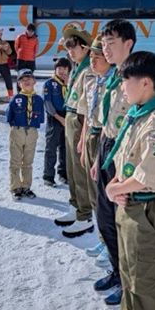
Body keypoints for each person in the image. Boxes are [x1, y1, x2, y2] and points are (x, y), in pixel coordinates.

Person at [103, 51, 155, 310]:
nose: (122, 87)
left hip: (147, 211)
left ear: (146, 82)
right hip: (130, 205)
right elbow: (125, 160)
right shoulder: (138, 115)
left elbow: (150, 177)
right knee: (130, 281)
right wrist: (116, 184)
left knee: (144, 286)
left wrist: (114, 190)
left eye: (126, 80)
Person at [92, 19, 136, 306]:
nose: (105, 49)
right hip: (107, 147)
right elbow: (105, 122)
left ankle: (128, 281)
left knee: (123, 222)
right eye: (103, 44)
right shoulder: (111, 77)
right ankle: (116, 269)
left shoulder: (136, 76)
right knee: (105, 217)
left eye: (111, 43)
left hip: (125, 154)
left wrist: (124, 168)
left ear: (128, 44)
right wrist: (98, 157)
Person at [54, 26, 96, 239]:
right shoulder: (78, 67)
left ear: (84, 47)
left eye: (72, 46)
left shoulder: (89, 68)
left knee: (79, 169)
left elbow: (88, 103)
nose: (69, 50)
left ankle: (85, 215)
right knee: (71, 167)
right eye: (66, 46)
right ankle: (75, 205)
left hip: (80, 120)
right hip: (71, 117)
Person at [79, 36, 114, 258]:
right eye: (91, 56)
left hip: (105, 138)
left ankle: (112, 244)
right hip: (91, 137)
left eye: (97, 56)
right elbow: (86, 115)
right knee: (94, 194)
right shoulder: (92, 80)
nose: (93, 60)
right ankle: (103, 239)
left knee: (105, 196)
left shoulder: (114, 83)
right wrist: (83, 142)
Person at [6, 69, 44, 199]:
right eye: (23, 79)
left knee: (28, 161)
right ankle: (16, 187)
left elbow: (41, 118)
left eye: (29, 79)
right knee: (15, 161)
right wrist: (16, 129)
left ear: (35, 81)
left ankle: (26, 186)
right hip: (18, 131)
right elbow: (9, 117)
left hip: (32, 132)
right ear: (18, 84)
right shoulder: (15, 99)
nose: (26, 81)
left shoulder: (39, 100)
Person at [43, 57, 71, 187]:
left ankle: (63, 173)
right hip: (54, 117)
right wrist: (60, 118)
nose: (62, 71)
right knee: (51, 148)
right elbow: (48, 103)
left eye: (65, 68)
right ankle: (48, 176)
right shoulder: (49, 83)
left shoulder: (71, 84)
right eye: (59, 68)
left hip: (68, 117)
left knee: (65, 148)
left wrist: (69, 85)